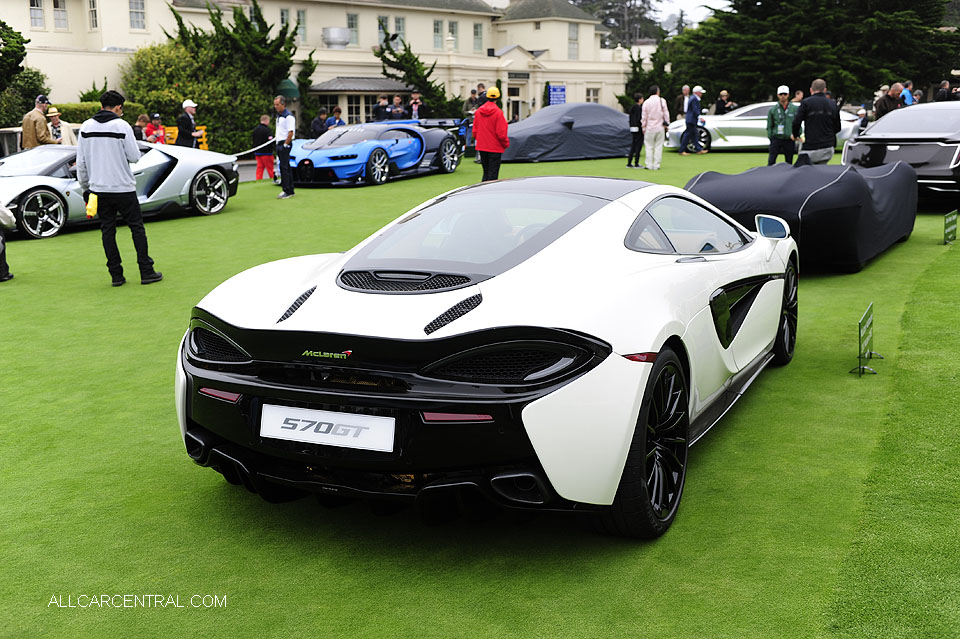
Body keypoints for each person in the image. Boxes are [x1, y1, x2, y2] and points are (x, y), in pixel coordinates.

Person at [77, 90, 162, 286]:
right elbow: (134, 156)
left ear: (101, 106)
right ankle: (146, 271)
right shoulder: (122, 126)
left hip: (98, 188)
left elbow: (80, 162)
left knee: (107, 231)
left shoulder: (86, 127)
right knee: (136, 229)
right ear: (118, 108)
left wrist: (85, 188)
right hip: (123, 187)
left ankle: (116, 276)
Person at [792, 78, 841, 165]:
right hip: (827, 146)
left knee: (804, 171)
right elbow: (837, 127)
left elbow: (796, 122)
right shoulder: (833, 104)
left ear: (811, 90)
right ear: (825, 90)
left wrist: (795, 135)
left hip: (810, 146)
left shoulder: (806, 103)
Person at [472, 86, 509, 181]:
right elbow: (501, 133)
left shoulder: (478, 112)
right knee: (493, 174)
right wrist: (505, 144)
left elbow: (475, 131)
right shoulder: (498, 113)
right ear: (497, 98)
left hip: (482, 146)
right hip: (495, 148)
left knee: (486, 172)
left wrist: (480, 140)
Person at [766, 85, 799, 165]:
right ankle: (769, 175)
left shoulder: (794, 108)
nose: (783, 96)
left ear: (788, 95)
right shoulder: (773, 109)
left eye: (785, 94)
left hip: (789, 138)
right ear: (777, 95)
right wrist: (771, 136)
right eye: (781, 94)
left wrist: (796, 134)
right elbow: (769, 125)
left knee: (789, 161)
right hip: (776, 138)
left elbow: (797, 122)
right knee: (771, 160)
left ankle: (788, 176)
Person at [641, 84, 670, 171]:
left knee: (649, 147)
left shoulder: (646, 102)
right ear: (657, 92)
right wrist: (667, 124)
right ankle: (656, 164)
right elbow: (666, 113)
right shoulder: (662, 101)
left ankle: (649, 164)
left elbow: (644, 116)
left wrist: (643, 127)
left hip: (649, 127)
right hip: (660, 126)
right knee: (658, 146)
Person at [273, 95, 296, 199]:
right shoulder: (279, 116)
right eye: (275, 104)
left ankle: (286, 190)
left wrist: (285, 144)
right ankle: (290, 189)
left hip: (285, 143)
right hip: (280, 142)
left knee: (283, 167)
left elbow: (290, 132)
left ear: (283, 104)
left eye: (277, 104)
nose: (276, 106)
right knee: (286, 166)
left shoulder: (288, 116)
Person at [679, 85, 706, 155]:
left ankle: (698, 149)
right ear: (697, 92)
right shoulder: (694, 99)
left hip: (691, 119)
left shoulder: (692, 98)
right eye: (700, 93)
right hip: (691, 120)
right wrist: (700, 117)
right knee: (688, 134)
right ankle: (681, 150)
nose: (701, 94)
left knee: (694, 134)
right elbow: (695, 110)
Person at [252, 114, 275, 181]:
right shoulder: (267, 130)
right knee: (270, 168)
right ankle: (273, 179)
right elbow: (270, 140)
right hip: (266, 153)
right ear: (266, 120)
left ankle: (258, 180)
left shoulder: (255, 130)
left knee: (260, 168)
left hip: (258, 152)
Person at [627, 93, 644, 168]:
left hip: (632, 128)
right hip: (638, 128)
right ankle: (636, 162)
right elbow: (639, 119)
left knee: (633, 145)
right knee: (638, 146)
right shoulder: (639, 108)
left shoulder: (632, 108)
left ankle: (629, 162)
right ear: (640, 99)